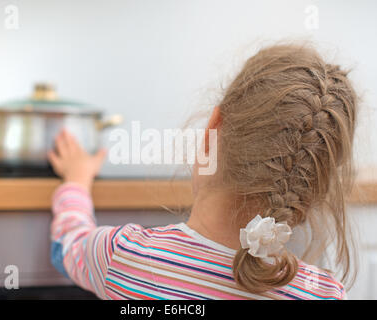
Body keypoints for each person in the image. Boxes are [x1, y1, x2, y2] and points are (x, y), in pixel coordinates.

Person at [48, 44, 357, 299]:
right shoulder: (325, 293)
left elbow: (67, 244)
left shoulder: (124, 256)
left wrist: (76, 181)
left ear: (213, 129)